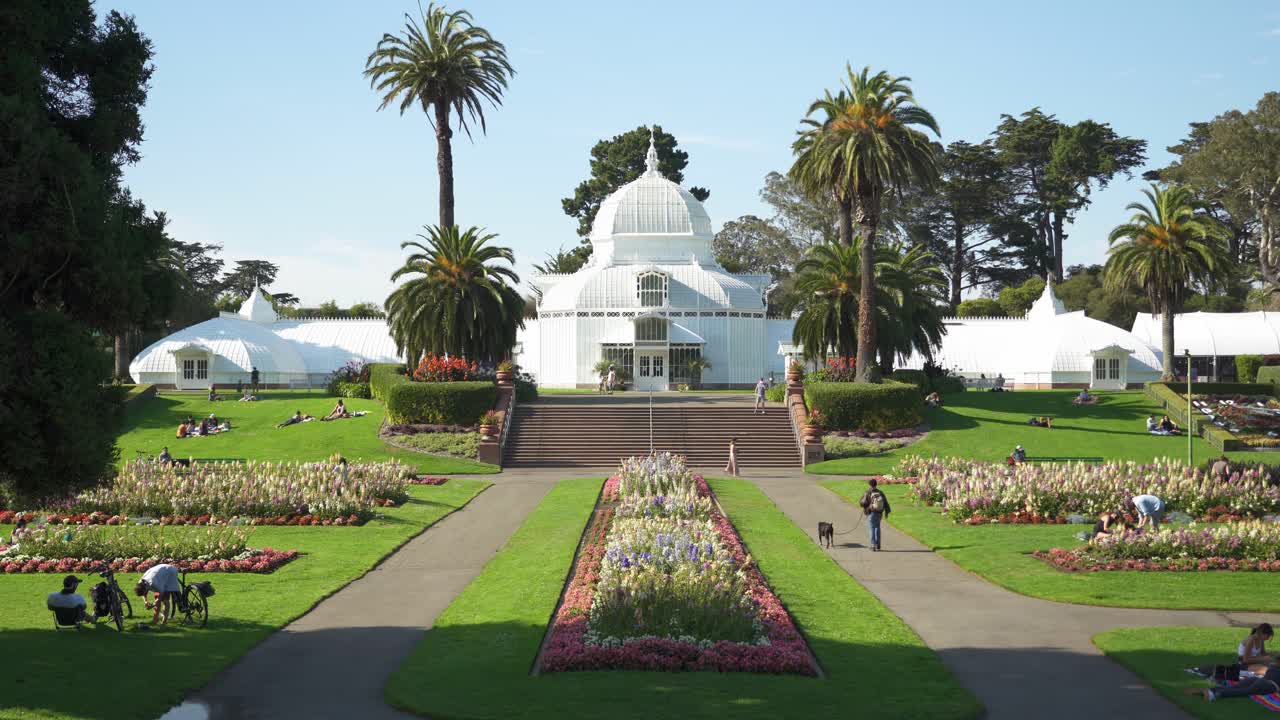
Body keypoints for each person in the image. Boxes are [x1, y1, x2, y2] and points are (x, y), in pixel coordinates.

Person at [1201, 662, 1280, 702]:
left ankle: (1211, 690)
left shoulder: (1273, 666)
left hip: (1257, 679)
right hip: (1268, 685)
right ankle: (1216, 694)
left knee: (1234, 687)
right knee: (1244, 691)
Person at [858, 478, 892, 551]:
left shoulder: (867, 492)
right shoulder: (880, 492)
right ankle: (878, 545)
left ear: (870, 485)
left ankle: (873, 545)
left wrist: (865, 506)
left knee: (872, 528)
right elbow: (885, 503)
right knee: (877, 527)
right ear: (876, 484)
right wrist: (886, 512)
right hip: (879, 513)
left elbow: (862, 503)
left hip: (871, 512)